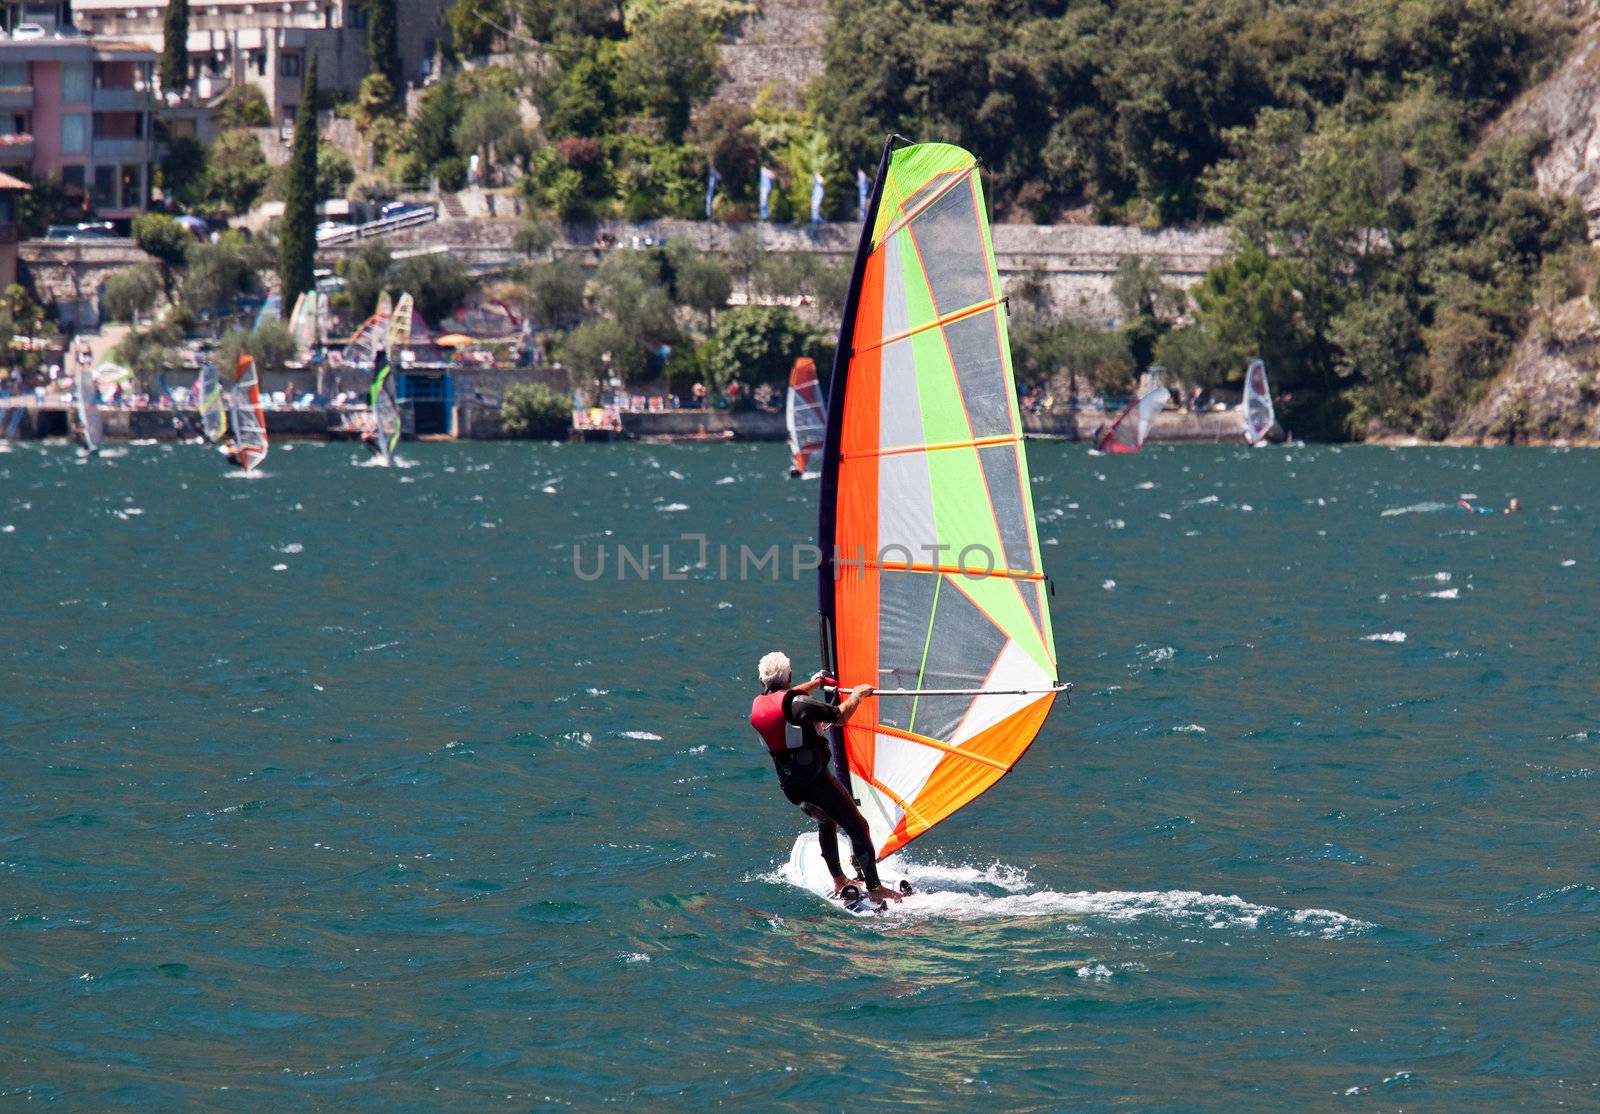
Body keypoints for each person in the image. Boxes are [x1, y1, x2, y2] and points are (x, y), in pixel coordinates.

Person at [749, 651, 902, 906]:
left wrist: (818, 683)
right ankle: (875, 888)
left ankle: (840, 880)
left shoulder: (759, 704)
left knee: (826, 821)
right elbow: (840, 715)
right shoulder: (800, 705)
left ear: (761, 681)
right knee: (857, 826)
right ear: (788, 675)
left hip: (791, 787)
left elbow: (787, 696)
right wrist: (857, 695)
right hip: (816, 782)